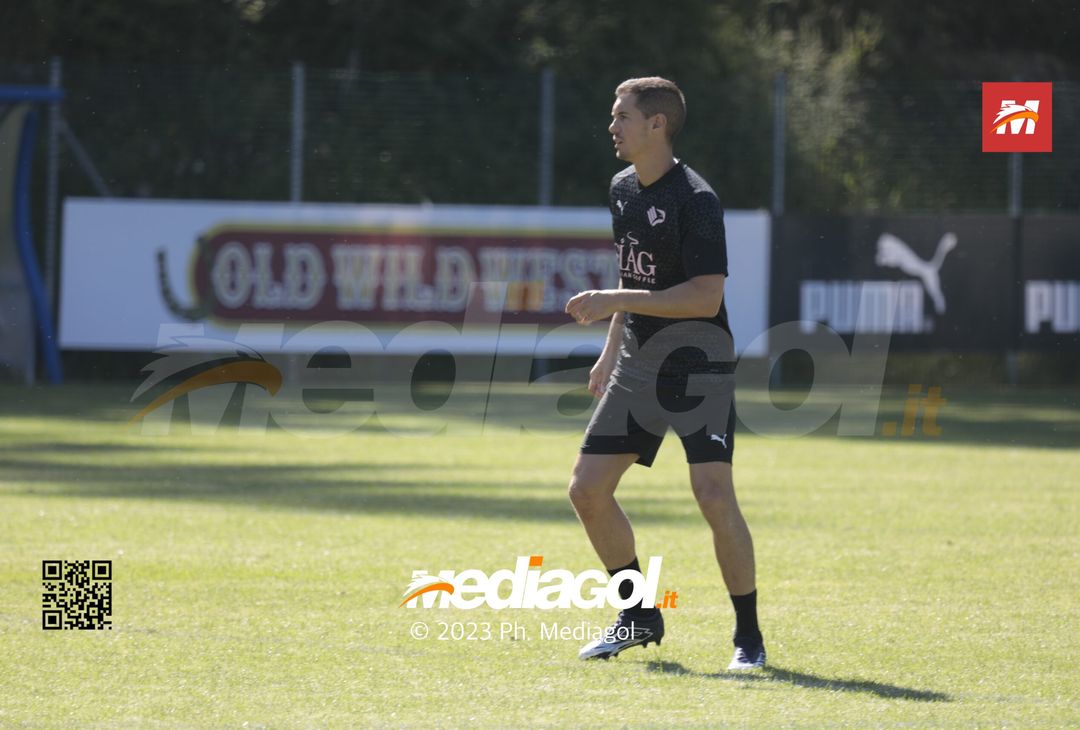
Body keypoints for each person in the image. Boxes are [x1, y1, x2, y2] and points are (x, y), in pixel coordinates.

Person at [564, 76, 765, 670]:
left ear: (657, 125)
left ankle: (748, 638)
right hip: (637, 365)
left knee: (712, 495)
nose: (612, 127)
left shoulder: (696, 199)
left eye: (622, 116)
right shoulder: (622, 188)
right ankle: (638, 614)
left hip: (699, 364)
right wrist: (610, 350)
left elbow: (705, 297)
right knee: (587, 490)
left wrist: (614, 300)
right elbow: (635, 276)